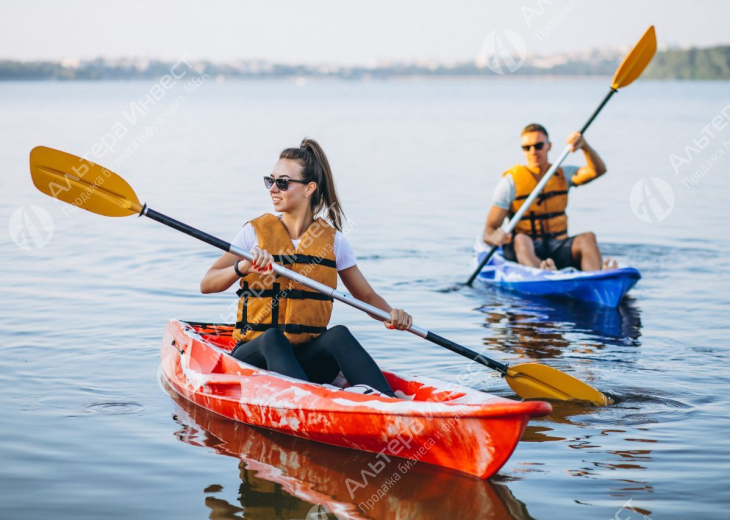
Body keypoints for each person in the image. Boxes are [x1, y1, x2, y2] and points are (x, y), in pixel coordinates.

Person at [200, 138, 412, 397]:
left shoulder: (334, 242)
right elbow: (207, 284)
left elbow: (366, 297)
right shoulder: (252, 234)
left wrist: (393, 315)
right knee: (272, 337)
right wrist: (242, 267)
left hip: (307, 362)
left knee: (338, 335)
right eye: (271, 180)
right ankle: (308, 402)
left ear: (309, 188)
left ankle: (391, 406)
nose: (273, 189)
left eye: (283, 182)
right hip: (255, 360)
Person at [482, 123, 617, 271]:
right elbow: (488, 231)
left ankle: (595, 277)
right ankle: (543, 273)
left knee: (588, 238)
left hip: (558, 245)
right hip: (525, 249)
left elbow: (598, 170)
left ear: (549, 146)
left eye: (538, 145)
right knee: (521, 239)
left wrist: (584, 146)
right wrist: (494, 237)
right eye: (527, 147)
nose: (533, 151)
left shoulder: (563, 175)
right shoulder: (510, 183)